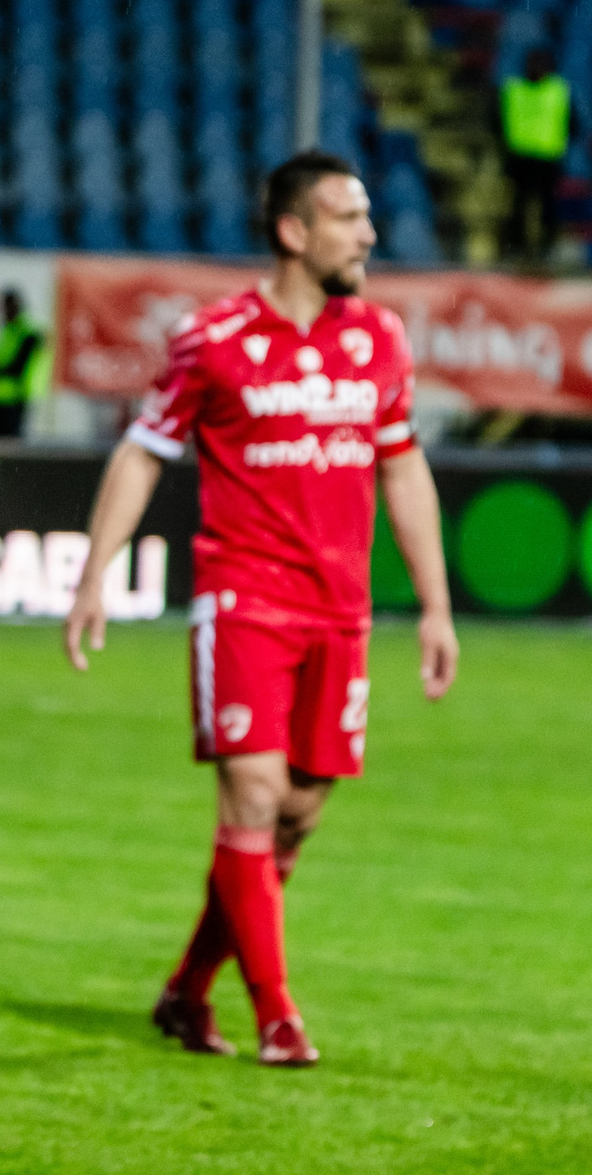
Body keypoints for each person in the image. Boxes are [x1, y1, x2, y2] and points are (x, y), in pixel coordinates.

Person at [62, 152, 459, 1067]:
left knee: (299, 811)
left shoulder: (381, 340)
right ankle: (278, 1014)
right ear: (293, 231)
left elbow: (402, 467)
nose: (368, 233)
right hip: (242, 601)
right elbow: (143, 450)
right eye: (348, 217)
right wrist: (95, 574)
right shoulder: (214, 339)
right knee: (254, 792)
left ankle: (187, 991)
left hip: (340, 613)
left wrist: (434, 607)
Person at [497, 45, 574, 263]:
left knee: (546, 207)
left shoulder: (559, 91)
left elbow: (572, 124)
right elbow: (497, 121)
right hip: (521, 158)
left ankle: (546, 248)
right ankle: (517, 248)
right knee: (519, 206)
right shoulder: (513, 90)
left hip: (547, 159)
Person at [0, 289, 44, 439]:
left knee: (11, 443)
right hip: (1, 397)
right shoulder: (8, 331)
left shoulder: (27, 333)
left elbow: (17, 368)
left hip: (17, 398)